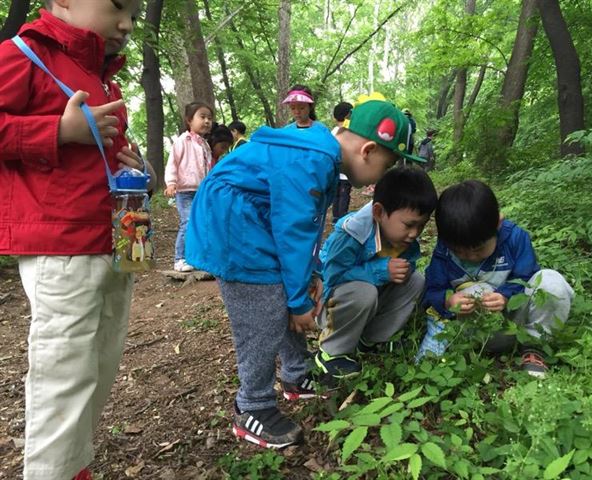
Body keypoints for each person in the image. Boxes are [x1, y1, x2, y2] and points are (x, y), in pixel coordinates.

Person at [185, 96, 425, 449]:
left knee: (281, 292)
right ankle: (252, 406)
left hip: (252, 219)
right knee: (264, 310)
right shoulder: (315, 159)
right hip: (234, 223)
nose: (384, 176)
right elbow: (293, 231)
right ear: (369, 150)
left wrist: (310, 274)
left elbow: (306, 228)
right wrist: (298, 302)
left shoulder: (322, 154)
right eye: (387, 166)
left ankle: (296, 376)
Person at [0, 1, 148, 479]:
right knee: (64, 374)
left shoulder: (104, 77)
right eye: (117, 6)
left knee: (99, 362)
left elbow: (95, 155)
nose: (126, 23)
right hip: (60, 243)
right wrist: (56, 131)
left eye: (135, 12)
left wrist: (128, 162)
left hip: (113, 239)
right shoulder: (24, 54)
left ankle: (73, 465)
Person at [417, 180, 574, 378]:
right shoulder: (444, 251)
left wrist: (506, 296)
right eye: (460, 252)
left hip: (516, 325)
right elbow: (432, 291)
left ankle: (535, 347)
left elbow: (526, 277)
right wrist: (448, 301)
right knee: (475, 292)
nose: (471, 257)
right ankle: (465, 355)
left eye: (478, 249)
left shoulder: (516, 239)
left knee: (551, 282)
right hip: (472, 332)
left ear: (498, 223)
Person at [316, 167, 438, 378]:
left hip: (368, 302)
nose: (414, 233)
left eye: (421, 226)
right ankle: (331, 352)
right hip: (332, 305)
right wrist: (380, 271)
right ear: (379, 212)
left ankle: (371, 340)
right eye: (409, 225)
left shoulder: (403, 239)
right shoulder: (350, 235)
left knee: (415, 280)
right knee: (363, 291)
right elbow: (331, 278)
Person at [164, 102, 214, 272]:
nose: (207, 121)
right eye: (202, 117)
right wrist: (171, 182)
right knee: (188, 222)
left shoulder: (205, 145)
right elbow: (172, 163)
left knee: (201, 223)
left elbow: (208, 168)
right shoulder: (182, 141)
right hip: (185, 191)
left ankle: (197, 258)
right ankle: (179, 259)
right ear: (189, 120)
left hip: (201, 192)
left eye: (209, 118)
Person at [331, 101, 354, 224]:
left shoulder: (332, 132)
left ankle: (336, 218)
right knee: (344, 195)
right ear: (348, 115)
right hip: (346, 170)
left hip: (335, 170)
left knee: (336, 195)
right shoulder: (349, 131)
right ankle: (341, 219)